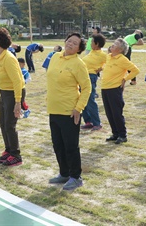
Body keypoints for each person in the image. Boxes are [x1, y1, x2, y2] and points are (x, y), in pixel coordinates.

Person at [46, 33, 91, 191]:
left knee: (70, 146)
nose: (70, 44)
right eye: (69, 41)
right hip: (54, 108)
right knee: (57, 144)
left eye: (75, 43)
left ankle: (76, 177)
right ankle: (64, 173)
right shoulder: (55, 57)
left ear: (79, 49)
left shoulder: (78, 63)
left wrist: (79, 108)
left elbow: (87, 88)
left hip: (69, 111)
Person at [0, 28, 26, 166]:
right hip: (4, 92)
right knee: (3, 123)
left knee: (10, 125)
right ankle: (8, 150)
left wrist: (18, 102)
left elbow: (17, 81)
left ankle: (16, 155)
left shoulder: (9, 58)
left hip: (13, 93)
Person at [101, 38, 140, 144]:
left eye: (115, 44)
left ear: (120, 49)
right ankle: (115, 133)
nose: (112, 45)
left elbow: (135, 70)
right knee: (109, 113)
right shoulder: (108, 56)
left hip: (115, 89)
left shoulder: (122, 59)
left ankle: (122, 135)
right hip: (105, 87)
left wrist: (125, 79)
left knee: (116, 113)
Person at [81, 34, 108, 131]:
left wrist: (100, 69)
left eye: (92, 42)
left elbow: (109, 63)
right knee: (82, 99)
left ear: (97, 44)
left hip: (90, 77)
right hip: (82, 76)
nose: (90, 43)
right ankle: (88, 122)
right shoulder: (91, 52)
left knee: (90, 100)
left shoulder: (103, 55)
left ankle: (97, 123)